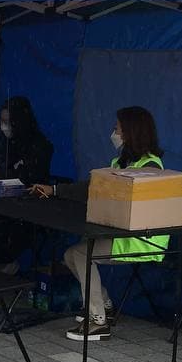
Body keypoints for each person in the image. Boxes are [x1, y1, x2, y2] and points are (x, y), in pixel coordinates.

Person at [57, 106, 169, 341]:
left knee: (81, 254)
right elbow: (95, 188)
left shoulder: (151, 167)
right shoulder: (120, 162)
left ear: (130, 132)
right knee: (70, 255)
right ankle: (105, 304)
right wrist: (58, 190)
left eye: (117, 129)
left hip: (140, 239)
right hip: (119, 234)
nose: (114, 133)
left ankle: (97, 320)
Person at [0, 96, 53, 186]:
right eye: (1, 121)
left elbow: (24, 177)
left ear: (19, 122)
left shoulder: (40, 145)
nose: (3, 127)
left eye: (7, 122)